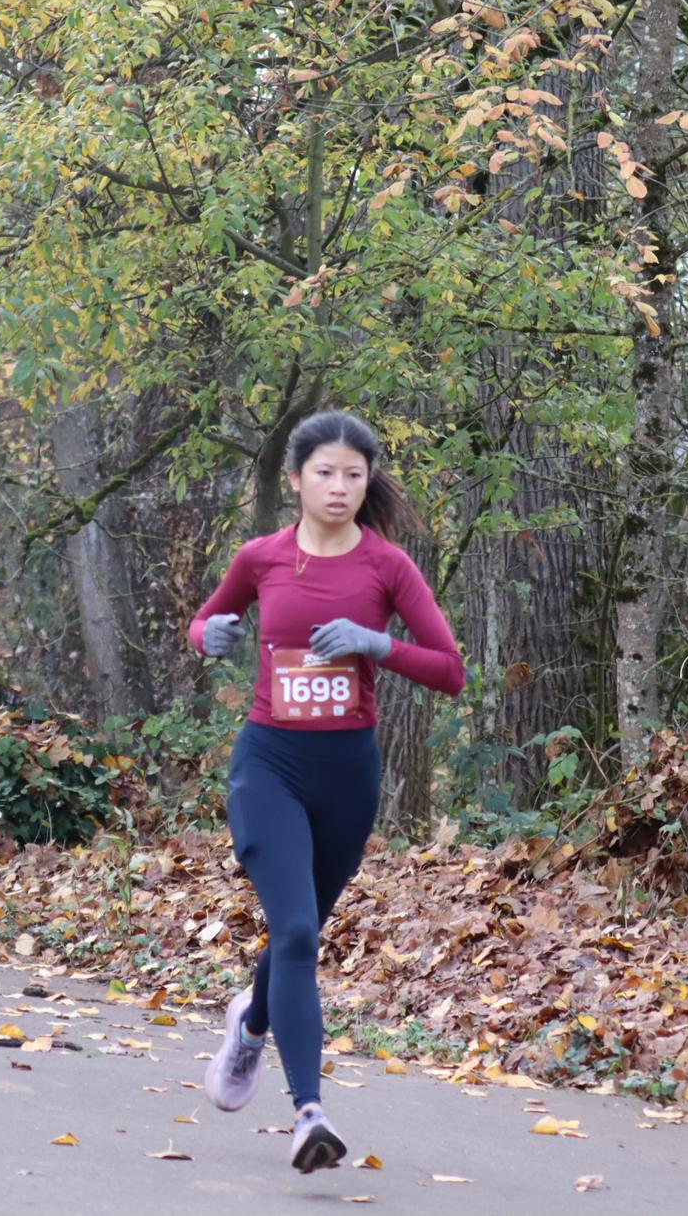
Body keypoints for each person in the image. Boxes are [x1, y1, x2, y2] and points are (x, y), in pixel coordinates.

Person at [187, 408, 467, 1173]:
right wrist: (211, 635)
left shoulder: (387, 566)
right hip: (269, 766)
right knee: (298, 933)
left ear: (368, 481)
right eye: (325, 473)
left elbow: (450, 669)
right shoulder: (262, 557)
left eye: (354, 474)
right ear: (296, 479)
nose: (340, 486)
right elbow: (208, 621)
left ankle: (251, 1026)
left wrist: (377, 643)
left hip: (348, 775)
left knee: (298, 933)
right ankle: (310, 1112)